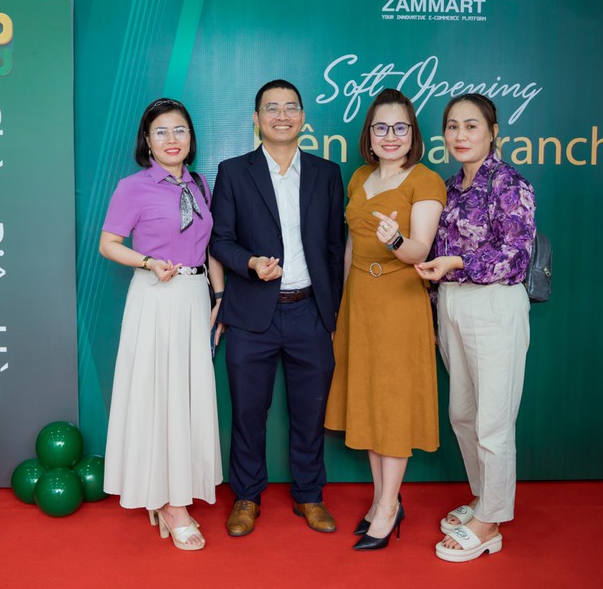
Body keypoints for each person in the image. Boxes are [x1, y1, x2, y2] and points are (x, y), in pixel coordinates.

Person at [210, 79, 345, 536]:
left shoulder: (326, 173)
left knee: (310, 412)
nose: (281, 116)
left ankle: (309, 495)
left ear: (303, 117)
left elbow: (334, 248)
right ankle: (246, 496)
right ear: (256, 118)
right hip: (252, 314)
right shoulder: (233, 171)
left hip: (310, 311)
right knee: (248, 413)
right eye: (272, 108)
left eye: (290, 107)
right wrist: (249, 263)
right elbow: (219, 240)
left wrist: (331, 312)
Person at [100, 98, 224, 551]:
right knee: (158, 395)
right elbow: (109, 243)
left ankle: (175, 489)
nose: (172, 140)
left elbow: (209, 247)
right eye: (161, 132)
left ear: (191, 138)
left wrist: (219, 297)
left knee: (186, 396)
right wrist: (148, 262)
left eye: (180, 131)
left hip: (194, 297)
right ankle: (171, 504)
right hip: (155, 297)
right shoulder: (132, 187)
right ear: (147, 141)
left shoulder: (200, 184)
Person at [415, 92, 535, 563]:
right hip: (452, 304)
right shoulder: (448, 186)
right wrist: (434, 304)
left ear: (492, 132)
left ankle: (491, 522)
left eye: (471, 126)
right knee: (463, 414)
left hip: (494, 305)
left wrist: (458, 263)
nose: (460, 135)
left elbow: (516, 256)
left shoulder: (508, 182)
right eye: (452, 126)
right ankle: (484, 498)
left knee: (492, 421)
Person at [324, 88, 445, 550]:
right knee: (372, 401)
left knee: (392, 404)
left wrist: (396, 241)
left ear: (412, 134)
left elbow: (420, 250)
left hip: (399, 300)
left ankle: (390, 506)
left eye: (400, 127)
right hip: (361, 300)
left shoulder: (426, 180)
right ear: (369, 134)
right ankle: (381, 499)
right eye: (381, 127)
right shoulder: (359, 177)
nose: (390, 136)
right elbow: (351, 247)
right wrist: (341, 305)